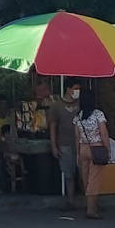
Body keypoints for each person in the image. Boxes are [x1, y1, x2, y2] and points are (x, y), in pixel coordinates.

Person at [74, 89, 110, 220]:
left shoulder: (78, 116)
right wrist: (108, 149)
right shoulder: (98, 115)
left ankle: (90, 205)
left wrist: (78, 153)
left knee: (86, 179)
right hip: (97, 149)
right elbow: (104, 133)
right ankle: (91, 210)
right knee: (94, 180)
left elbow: (77, 137)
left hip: (83, 148)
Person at [48, 78, 82, 207]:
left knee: (84, 172)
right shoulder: (56, 106)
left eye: (78, 89)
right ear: (68, 89)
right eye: (75, 89)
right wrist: (54, 146)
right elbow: (53, 126)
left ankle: (89, 201)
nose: (77, 92)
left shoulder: (81, 103)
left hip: (82, 142)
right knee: (69, 173)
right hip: (65, 143)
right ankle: (71, 201)